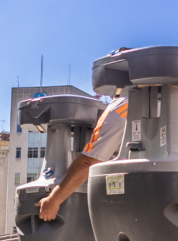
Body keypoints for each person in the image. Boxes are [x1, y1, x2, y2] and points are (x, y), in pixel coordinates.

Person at [37, 69, 130, 222]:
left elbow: (89, 162)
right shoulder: (166, 99)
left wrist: (54, 200)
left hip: (134, 201)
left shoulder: (119, 108)